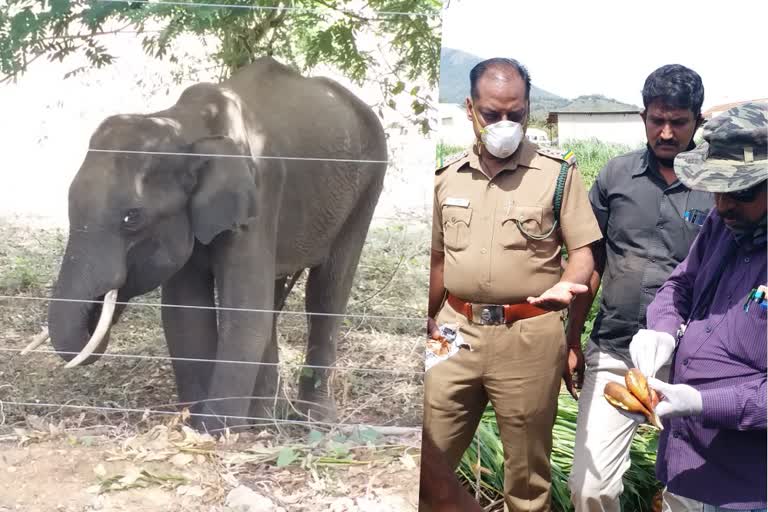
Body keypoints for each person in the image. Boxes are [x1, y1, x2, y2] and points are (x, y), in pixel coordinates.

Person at [423, 57, 603, 512]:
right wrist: (423, 317)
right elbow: (438, 259)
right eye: (492, 114)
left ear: (529, 110)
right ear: (470, 109)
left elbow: (583, 251)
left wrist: (569, 284)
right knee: (427, 461)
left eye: (516, 115)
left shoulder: (558, 173)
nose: (505, 124)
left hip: (528, 335)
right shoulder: (446, 178)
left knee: (526, 481)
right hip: (453, 334)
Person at [565, 64, 712, 512]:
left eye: (679, 122)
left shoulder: (719, 186)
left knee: (689, 495)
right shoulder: (616, 176)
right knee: (591, 489)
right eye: (657, 120)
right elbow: (590, 264)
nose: (666, 132)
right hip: (616, 349)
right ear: (643, 117)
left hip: (691, 361)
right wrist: (571, 339)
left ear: (698, 121)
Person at [627, 101, 767, 511]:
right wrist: (663, 329)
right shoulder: (724, 225)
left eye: (740, 191)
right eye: (716, 190)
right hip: (685, 464)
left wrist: (704, 403)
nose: (722, 205)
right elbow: (681, 283)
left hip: (746, 488)